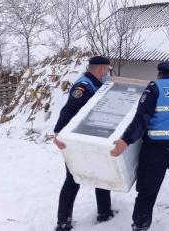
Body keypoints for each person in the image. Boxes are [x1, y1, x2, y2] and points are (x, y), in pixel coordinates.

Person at [110, 62, 169, 231]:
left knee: (148, 189)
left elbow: (141, 117)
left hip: (157, 149)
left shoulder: (154, 87)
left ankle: (141, 225)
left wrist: (126, 140)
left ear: (159, 74)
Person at [52, 56, 114, 231]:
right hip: (76, 141)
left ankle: (105, 212)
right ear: (101, 69)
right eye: (108, 70)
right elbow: (69, 109)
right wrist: (59, 133)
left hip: (92, 138)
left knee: (101, 173)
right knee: (73, 178)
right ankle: (63, 222)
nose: (108, 73)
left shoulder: (96, 83)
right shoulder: (84, 86)